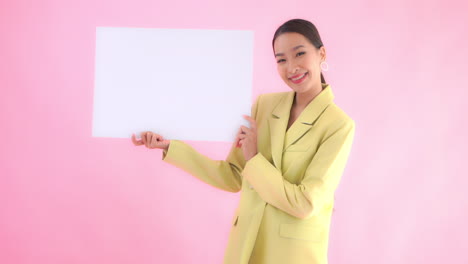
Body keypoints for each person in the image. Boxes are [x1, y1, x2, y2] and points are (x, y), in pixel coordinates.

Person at [132, 18, 355, 264]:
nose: (292, 67)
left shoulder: (338, 125)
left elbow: (304, 203)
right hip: (245, 247)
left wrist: (255, 159)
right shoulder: (265, 105)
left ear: (321, 53)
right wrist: (169, 147)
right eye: (281, 60)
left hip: (292, 255)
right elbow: (232, 176)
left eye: (299, 54)